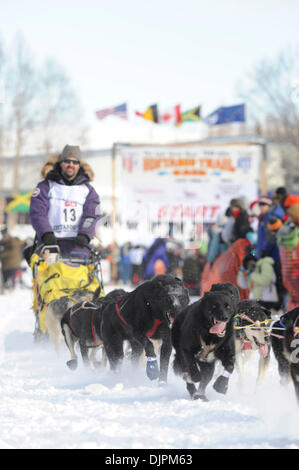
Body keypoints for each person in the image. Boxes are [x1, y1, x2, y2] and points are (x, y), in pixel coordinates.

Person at [29, 145, 101, 259]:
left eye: (75, 162)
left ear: (79, 165)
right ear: (61, 162)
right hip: (50, 248)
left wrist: (85, 234)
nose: (71, 165)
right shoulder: (46, 186)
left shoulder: (88, 191)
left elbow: (91, 216)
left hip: (78, 251)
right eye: (67, 161)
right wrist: (46, 233)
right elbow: (37, 213)